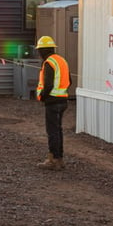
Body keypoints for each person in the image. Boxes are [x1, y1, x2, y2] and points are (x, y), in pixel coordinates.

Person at [35, 35, 70, 170]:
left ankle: (53, 160)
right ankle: (59, 159)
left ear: (43, 50)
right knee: (58, 130)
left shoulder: (49, 62)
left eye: (39, 51)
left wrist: (42, 96)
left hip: (53, 102)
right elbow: (69, 81)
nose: (39, 54)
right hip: (63, 100)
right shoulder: (62, 61)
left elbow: (48, 85)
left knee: (52, 131)